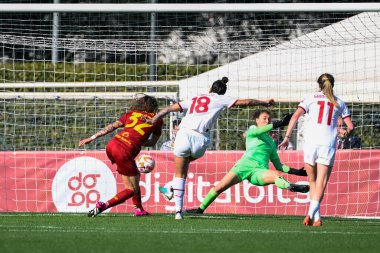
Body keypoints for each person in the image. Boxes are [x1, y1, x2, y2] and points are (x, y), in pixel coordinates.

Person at [144, 76, 275, 219]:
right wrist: (264, 102)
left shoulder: (195, 98)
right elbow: (247, 102)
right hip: (201, 141)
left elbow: (170, 108)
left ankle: (177, 210)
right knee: (184, 168)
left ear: (210, 89)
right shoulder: (221, 99)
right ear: (223, 92)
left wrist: (154, 118)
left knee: (179, 174)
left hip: (184, 134)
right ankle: (171, 188)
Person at [186, 109, 309, 215]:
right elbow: (259, 131)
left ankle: (290, 186)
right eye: (264, 118)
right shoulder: (252, 132)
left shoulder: (271, 142)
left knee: (276, 175)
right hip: (243, 167)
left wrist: (297, 172)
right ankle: (200, 209)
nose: (267, 121)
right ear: (257, 120)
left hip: (259, 172)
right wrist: (280, 123)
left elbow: (279, 165)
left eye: (269, 119)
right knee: (220, 187)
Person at [279, 73, 354, 226]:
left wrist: (286, 137)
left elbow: (294, 117)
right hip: (327, 144)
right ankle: (311, 213)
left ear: (318, 85)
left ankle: (316, 218)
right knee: (321, 182)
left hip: (311, 143)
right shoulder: (339, 102)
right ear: (332, 84)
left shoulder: (310, 98)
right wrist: (345, 135)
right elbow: (350, 127)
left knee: (312, 181)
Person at [78, 95, 163, 217]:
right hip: (124, 151)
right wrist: (139, 140)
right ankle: (104, 205)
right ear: (154, 107)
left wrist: (92, 137)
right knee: (131, 189)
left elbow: (111, 127)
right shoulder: (157, 119)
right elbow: (152, 143)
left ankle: (139, 209)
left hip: (112, 145)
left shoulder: (131, 113)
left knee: (135, 176)